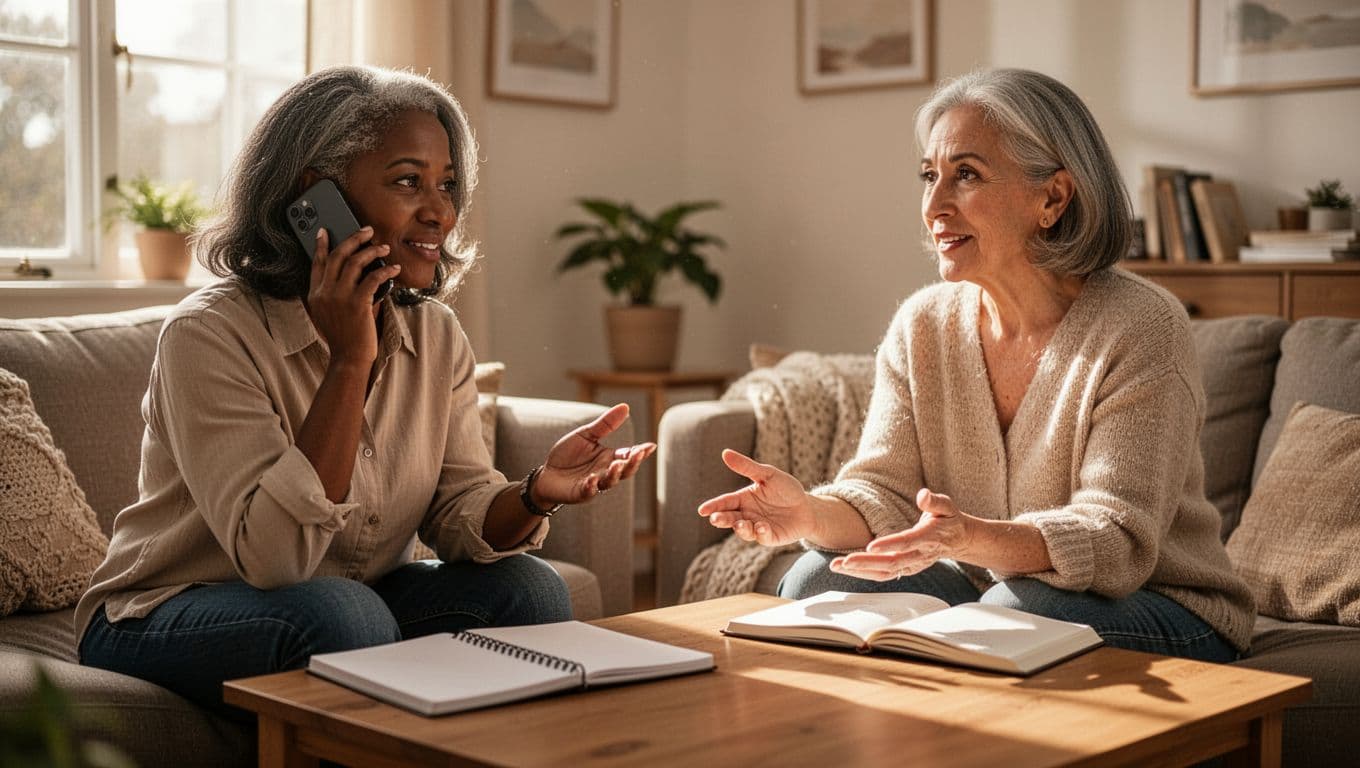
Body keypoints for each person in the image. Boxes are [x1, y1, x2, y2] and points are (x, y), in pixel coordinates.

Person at [76, 65, 655, 718]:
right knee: (343, 615)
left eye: (447, 183)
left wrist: (535, 493)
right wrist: (351, 360)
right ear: (315, 197)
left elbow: (457, 507)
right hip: (165, 613)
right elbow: (275, 558)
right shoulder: (208, 335)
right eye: (408, 181)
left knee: (531, 590)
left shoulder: (434, 334)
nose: (439, 210)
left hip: (347, 599)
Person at [698, 68, 1253, 662]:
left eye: (966, 175)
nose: (934, 205)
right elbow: (883, 490)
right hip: (998, 591)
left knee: (1017, 612)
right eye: (930, 176)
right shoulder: (923, 325)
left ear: (1052, 197)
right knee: (818, 577)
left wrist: (967, 536)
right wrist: (807, 512)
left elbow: (1116, 542)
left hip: (1164, 604)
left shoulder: (1143, 327)